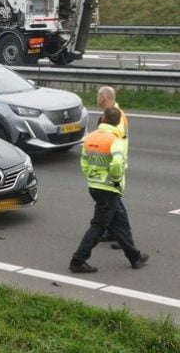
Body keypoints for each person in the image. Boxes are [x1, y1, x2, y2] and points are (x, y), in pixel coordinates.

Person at [69, 107, 148, 273]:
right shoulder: (115, 140)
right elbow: (118, 163)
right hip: (109, 188)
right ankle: (78, 260)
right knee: (98, 226)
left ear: (103, 119)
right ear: (117, 122)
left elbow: (84, 162)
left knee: (120, 221)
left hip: (95, 186)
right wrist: (116, 179)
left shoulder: (90, 137)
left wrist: (92, 177)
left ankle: (134, 256)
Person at [96, 86, 129, 247]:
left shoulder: (117, 117)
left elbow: (116, 142)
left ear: (103, 98)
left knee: (116, 204)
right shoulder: (109, 114)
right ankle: (114, 233)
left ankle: (124, 238)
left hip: (113, 167)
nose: (97, 99)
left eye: (98, 96)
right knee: (112, 202)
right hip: (107, 166)